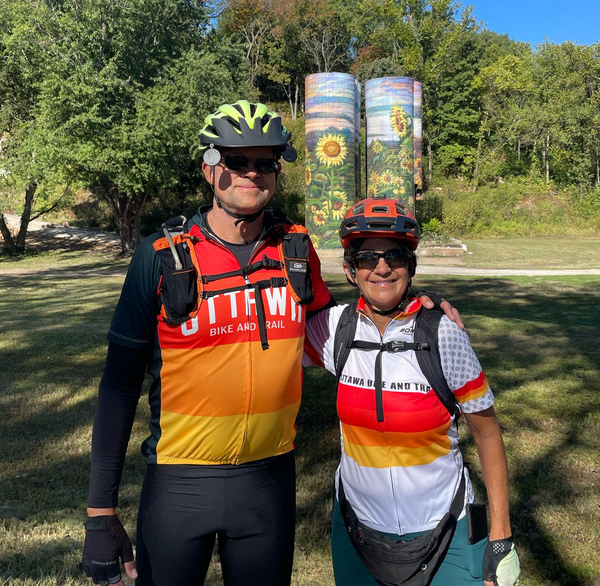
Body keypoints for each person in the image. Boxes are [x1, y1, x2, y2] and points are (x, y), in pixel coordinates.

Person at [82, 101, 462, 586]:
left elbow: (345, 325)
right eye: (236, 160)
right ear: (209, 168)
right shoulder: (160, 256)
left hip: (268, 483)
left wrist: (412, 303)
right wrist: (100, 513)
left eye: (265, 163)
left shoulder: (296, 251)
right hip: (178, 484)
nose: (251, 173)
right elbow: (117, 388)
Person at [304, 197, 521, 586]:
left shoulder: (444, 334)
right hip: (357, 528)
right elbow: (261, 337)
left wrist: (501, 535)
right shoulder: (334, 329)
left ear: (411, 267)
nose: (382, 267)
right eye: (368, 257)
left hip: (447, 526)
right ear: (351, 269)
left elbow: (487, 434)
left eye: (396, 257)